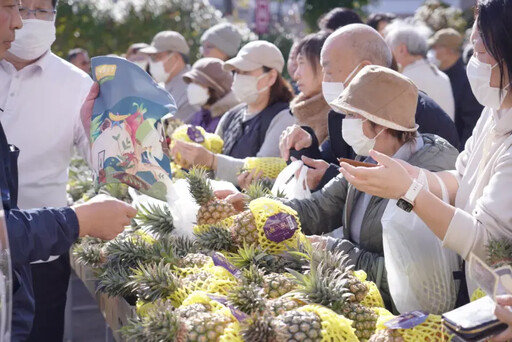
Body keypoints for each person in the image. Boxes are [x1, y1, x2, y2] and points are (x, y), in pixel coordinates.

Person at [224, 65, 459, 309]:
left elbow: (410, 273)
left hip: (401, 315)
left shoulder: (427, 177)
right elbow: (319, 208)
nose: (345, 123)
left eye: (352, 116)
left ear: (379, 123)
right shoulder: (369, 159)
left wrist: (333, 249)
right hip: (357, 296)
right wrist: (255, 208)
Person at [336, 0, 512, 302]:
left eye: (482, 53)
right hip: (482, 297)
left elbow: (487, 241)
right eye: (473, 51)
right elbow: (461, 177)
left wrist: (411, 193)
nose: (474, 62)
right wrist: (409, 175)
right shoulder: (494, 109)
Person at [0, 2, 137, 341]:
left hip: (44, 254)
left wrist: (119, 132)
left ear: (55, 17)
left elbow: (112, 168)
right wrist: (82, 220)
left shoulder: (78, 85)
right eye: (17, 7)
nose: (24, 21)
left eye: (40, 10)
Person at [278, 24, 459, 192]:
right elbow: (328, 163)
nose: (325, 81)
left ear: (365, 69)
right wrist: (306, 145)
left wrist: (330, 178)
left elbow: (407, 194)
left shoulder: (418, 116)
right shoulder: (343, 113)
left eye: (330, 72)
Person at [171, 40, 295, 185]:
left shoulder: (284, 118)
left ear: (271, 77)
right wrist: (191, 159)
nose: (238, 77)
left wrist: (211, 160)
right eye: (236, 72)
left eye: (246, 72)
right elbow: (211, 169)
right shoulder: (231, 116)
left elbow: (261, 171)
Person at [385, 22, 456, 120]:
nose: (388, 55)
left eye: (390, 50)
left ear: (402, 49)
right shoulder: (441, 76)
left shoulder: (404, 80)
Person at [429, 28, 483, 149]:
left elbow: (471, 121)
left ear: (450, 50)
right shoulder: (440, 75)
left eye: (437, 47)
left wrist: (462, 153)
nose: (434, 52)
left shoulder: (466, 79)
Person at [140, 31, 196, 123]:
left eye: (156, 56)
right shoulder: (162, 86)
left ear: (176, 57)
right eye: (150, 57)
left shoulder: (192, 86)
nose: (151, 62)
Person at [183, 57, 240, 133]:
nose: (191, 87)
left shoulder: (230, 120)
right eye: (191, 82)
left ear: (215, 88)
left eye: (198, 83)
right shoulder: (200, 115)